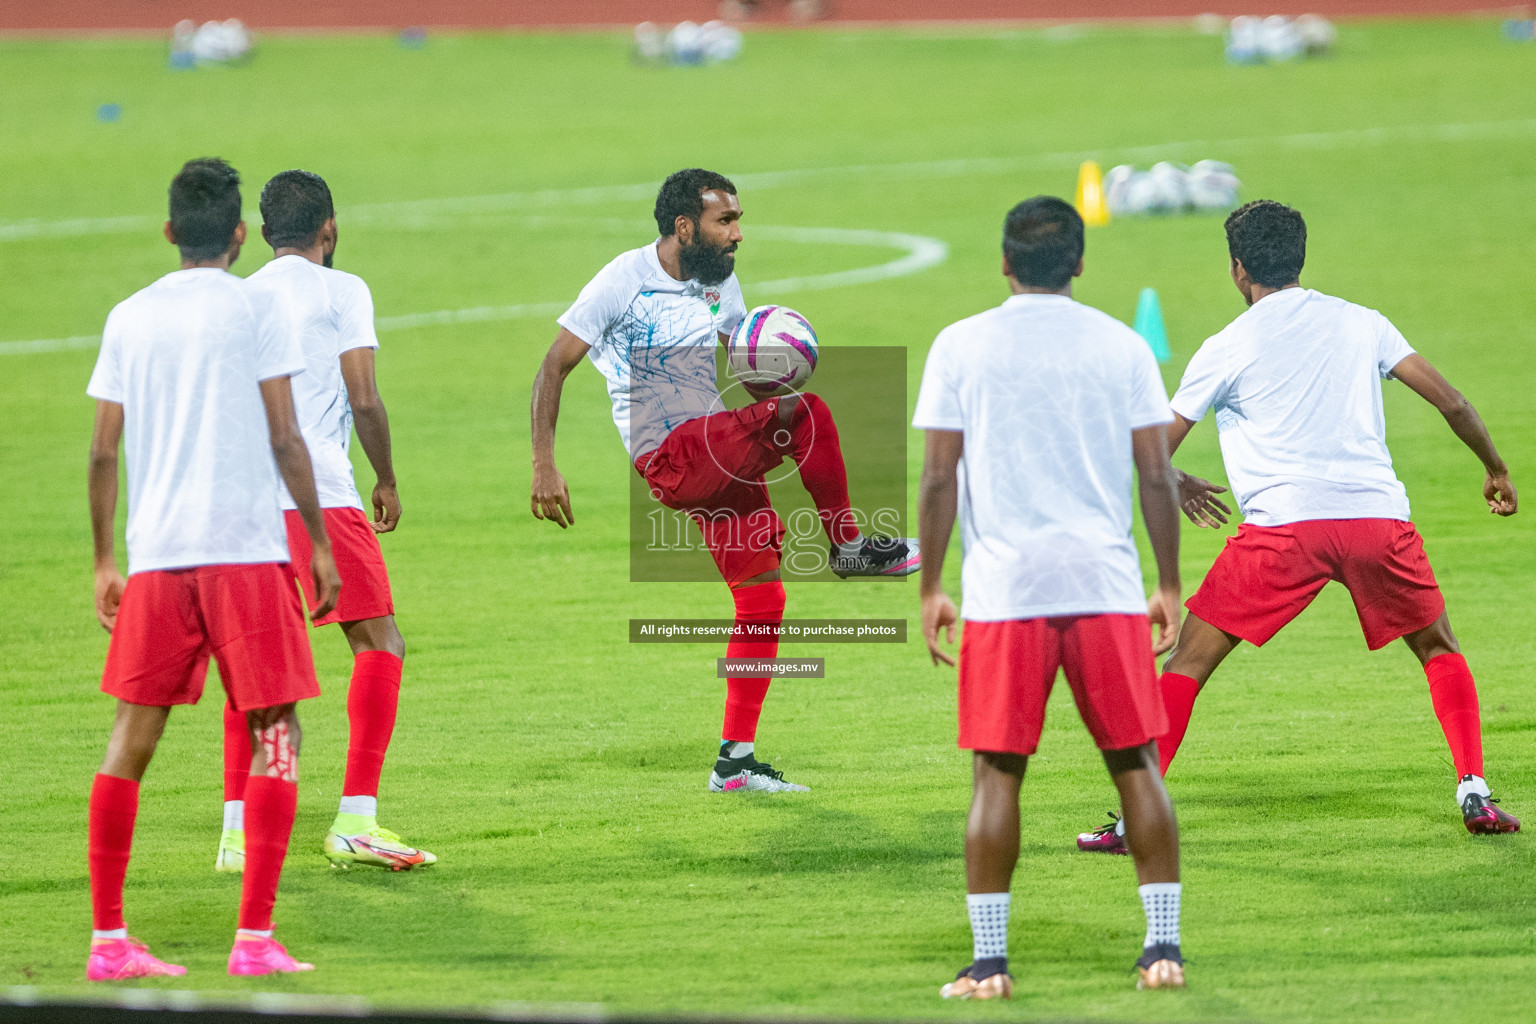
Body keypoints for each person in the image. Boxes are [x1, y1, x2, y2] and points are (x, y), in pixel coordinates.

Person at [1078, 199, 1519, 856]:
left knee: (1188, 663)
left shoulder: (1226, 346)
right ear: (1300, 256)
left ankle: (1131, 819)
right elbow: (1452, 401)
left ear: (1237, 270)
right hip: (1376, 520)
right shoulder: (1362, 322)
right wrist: (1495, 469)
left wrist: (1179, 482)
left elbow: (1148, 453)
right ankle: (1474, 787)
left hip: (1284, 532)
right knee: (1439, 649)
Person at [530, 168, 918, 794]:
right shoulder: (623, 281)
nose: (737, 233)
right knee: (811, 415)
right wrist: (544, 464)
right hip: (673, 454)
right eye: (725, 221)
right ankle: (846, 548)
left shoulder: (721, 282)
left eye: (738, 219)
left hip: (716, 447)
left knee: (763, 599)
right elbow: (553, 366)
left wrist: (777, 364)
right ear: (685, 226)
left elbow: (745, 364)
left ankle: (733, 764)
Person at [915, 196, 1187, 996]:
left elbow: (937, 476)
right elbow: (1156, 472)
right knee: (1135, 763)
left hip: (1004, 593)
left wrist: (931, 586)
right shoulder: (1123, 344)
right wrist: (1167, 582)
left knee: (997, 774)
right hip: (1103, 585)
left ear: (1003, 262)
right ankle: (1161, 951)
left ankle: (990, 963)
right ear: (1077, 263)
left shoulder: (960, 345)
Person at [85, 158, 339, 979]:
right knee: (277, 731)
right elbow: (285, 435)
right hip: (243, 552)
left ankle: (108, 941)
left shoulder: (128, 316)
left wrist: (103, 562)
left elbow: (101, 450)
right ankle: (254, 940)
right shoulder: (255, 306)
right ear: (240, 234)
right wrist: (321, 542)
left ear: (169, 233)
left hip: (158, 557)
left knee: (131, 739)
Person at [217, 169, 435, 874]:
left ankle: (237, 835)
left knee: (256, 664)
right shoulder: (344, 290)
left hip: (245, 502)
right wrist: (389, 478)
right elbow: (364, 398)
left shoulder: (239, 299)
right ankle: (355, 819)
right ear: (328, 229)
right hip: (322, 497)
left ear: (263, 229)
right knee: (381, 643)